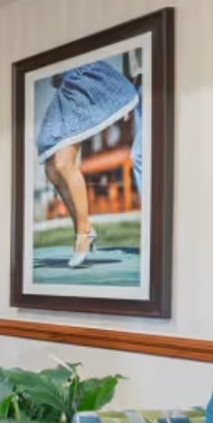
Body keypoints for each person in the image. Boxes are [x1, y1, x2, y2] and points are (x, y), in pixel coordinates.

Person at [36, 60, 139, 268]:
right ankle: (83, 230)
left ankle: (83, 233)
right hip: (66, 89)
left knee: (64, 163)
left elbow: (94, 62)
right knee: (51, 169)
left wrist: (118, 98)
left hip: (81, 85)